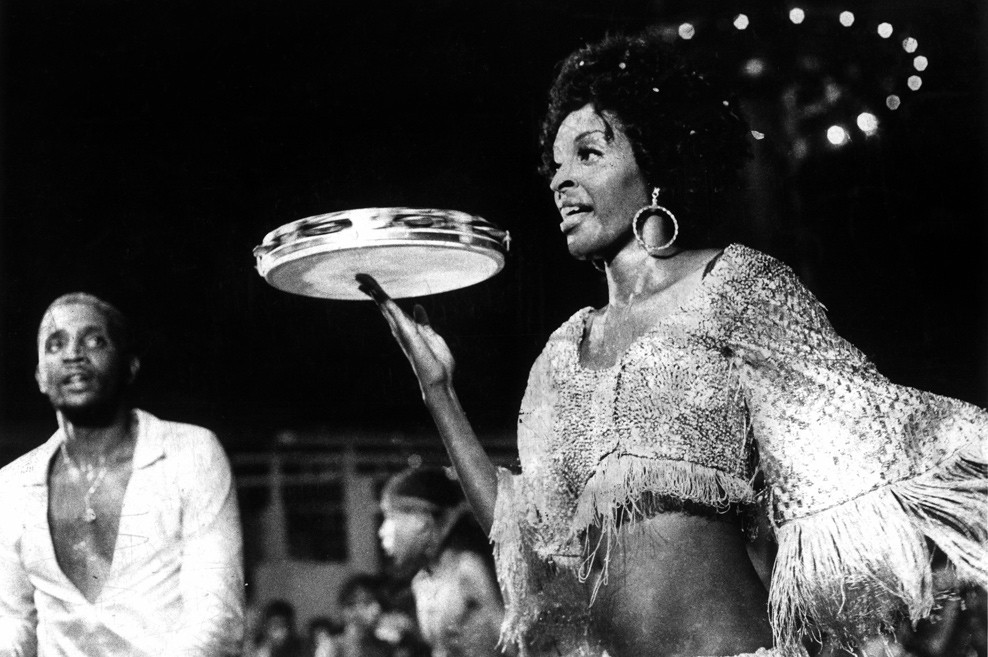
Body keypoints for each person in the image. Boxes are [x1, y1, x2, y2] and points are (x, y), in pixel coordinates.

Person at [357, 30, 988, 657]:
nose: (560, 179)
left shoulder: (731, 285)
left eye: (588, 154)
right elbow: (523, 526)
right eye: (555, 164)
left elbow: (874, 428)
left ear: (653, 164)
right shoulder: (562, 353)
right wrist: (436, 387)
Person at [0, 292, 245, 655]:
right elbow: (12, 619)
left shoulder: (190, 452)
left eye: (94, 340)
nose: (73, 354)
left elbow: (217, 618)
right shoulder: (12, 485)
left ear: (129, 365)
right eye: (56, 344)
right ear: (40, 377)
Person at [378, 466, 505, 657]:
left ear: (421, 519)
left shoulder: (467, 569)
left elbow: (515, 644)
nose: (382, 531)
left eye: (390, 517)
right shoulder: (420, 582)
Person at [337, 573, 393, 657]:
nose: (377, 609)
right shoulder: (333, 647)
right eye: (367, 602)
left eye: (380, 602)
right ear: (348, 609)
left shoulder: (384, 647)